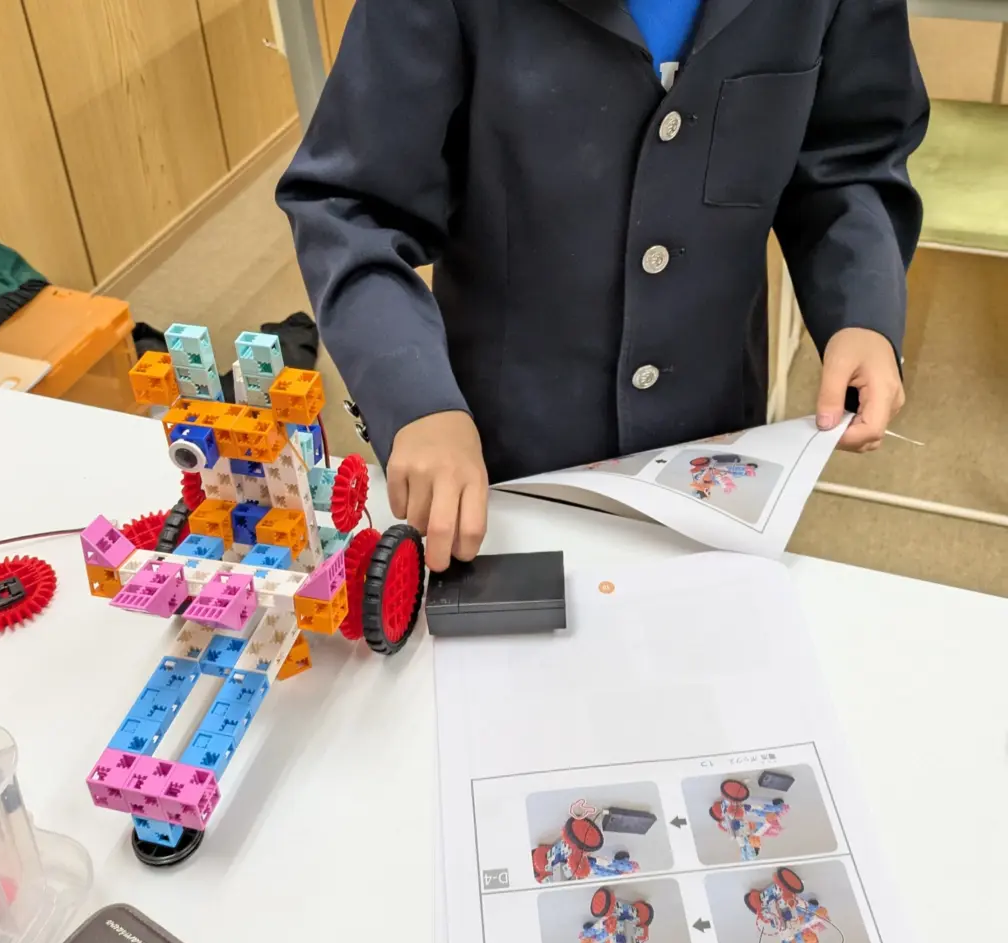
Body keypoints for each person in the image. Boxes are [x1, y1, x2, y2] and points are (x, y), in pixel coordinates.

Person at [277, 0, 928, 571]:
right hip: (505, 454)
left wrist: (860, 308)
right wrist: (416, 399)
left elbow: (849, 158)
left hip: (713, 443)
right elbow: (352, 206)